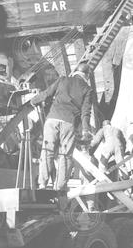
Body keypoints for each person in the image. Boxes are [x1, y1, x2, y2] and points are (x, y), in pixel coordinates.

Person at [31, 63, 93, 191]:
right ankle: (60, 187)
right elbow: (85, 112)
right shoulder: (87, 89)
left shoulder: (63, 79)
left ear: (75, 71)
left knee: (47, 151)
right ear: (87, 75)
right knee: (65, 155)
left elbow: (47, 93)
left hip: (52, 120)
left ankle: (42, 183)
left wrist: (33, 101)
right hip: (68, 123)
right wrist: (86, 130)